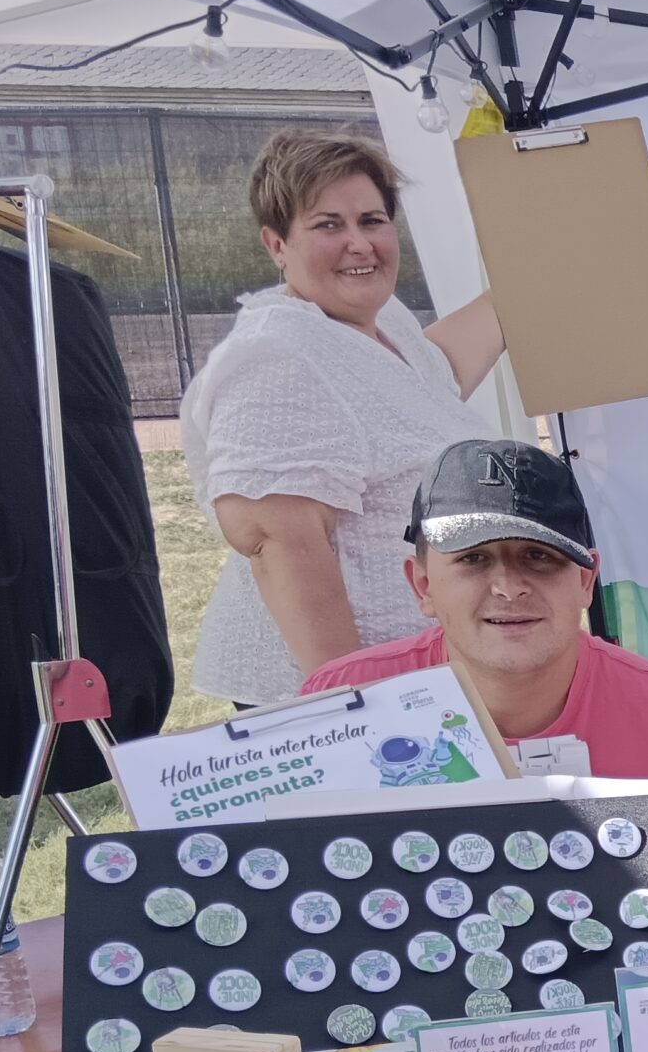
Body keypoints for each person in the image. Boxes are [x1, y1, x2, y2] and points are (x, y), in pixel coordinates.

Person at [183, 127, 507, 708]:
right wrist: (352, 704)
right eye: (328, 225)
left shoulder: (382, 324)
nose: (359, 243)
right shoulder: (277, 354)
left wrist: (528, 284)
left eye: (372, 220)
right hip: (331, 696)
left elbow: (431, 381)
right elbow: (279, 542)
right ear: (277, 244)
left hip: (415, 673)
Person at [300, 439, 648, 781]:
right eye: (473, 558)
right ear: (423, 585)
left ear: (584, 581)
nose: (509, 588)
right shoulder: (335, 710)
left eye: (540, 557)